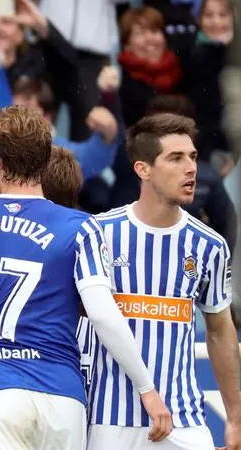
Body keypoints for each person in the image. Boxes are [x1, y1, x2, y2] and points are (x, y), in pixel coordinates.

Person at [0, 105, 170, 450]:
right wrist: (146, 388)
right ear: (45, 159)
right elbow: (102, 314)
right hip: (61, 392)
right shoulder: (80, 227)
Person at [87, 113, 240, 450]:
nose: (191, 168)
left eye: (193, 157)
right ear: (143, 169)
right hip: (109, 420)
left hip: (183, 422)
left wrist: (235, 418)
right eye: (176, 158)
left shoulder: (210, 245)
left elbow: (220, 329)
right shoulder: (98, 233)